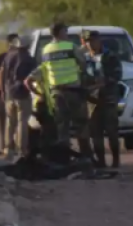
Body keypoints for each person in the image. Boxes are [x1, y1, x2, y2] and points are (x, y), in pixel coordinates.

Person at [23, 22, 92, 162]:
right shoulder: (71, 47)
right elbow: (83, 65)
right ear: (60, 32)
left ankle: (64, 159)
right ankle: (87, 157)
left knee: (62, 127)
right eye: (65, 31)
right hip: (74, 92)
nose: (67, 33)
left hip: (56, 94)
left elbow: (45, 69)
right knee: (81, 125)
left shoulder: (46, 50)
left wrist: (39, 93)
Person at [81, 30, 123, 168]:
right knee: (96, 132)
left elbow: (117, 75)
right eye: (88, 42)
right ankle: (101, 162)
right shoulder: (84, 59)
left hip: (108, 98)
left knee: (112, 131)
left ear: (99, 41)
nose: (91, 44)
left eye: (93, 41)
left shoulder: (110, 56)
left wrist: (102, 83)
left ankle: (116, 161)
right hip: (92, 101)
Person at [0, 33, 37, 160]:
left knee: (10, 122)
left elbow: (2, 73)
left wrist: (3, 90)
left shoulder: (8, 56)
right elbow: (33, 76)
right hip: (23, 93)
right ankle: (22, 151)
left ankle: (8, 150)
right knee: (22, 123)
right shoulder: (29, 59)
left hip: (9, 92)